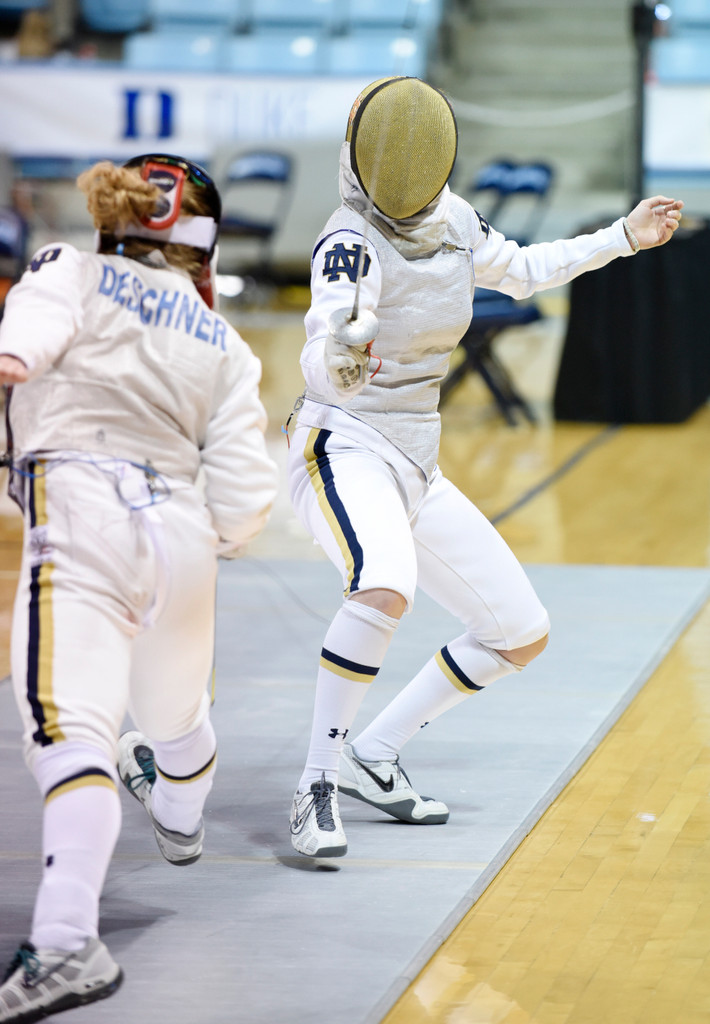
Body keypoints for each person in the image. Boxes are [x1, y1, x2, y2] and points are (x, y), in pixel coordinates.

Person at [286, 76, 683, 858]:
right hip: (341, 445)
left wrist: (623, 237)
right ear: (359, 159)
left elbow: (528, 268)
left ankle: (377, 750)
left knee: (518, 632)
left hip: (415, 460)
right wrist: (340, 354)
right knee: (383, 585)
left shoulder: (455, 220)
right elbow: (320, 348)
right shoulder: (346, 242)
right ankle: (314, 784)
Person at [0, 153, 278, 1020]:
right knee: (174, 717)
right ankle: (182, 815)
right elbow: (244, 505)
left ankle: (65, 943)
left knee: (68, 731)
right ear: (203, 250)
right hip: (185, 541)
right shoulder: (225, 343)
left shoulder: (67, 270)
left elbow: (17, 354)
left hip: (81, 515)